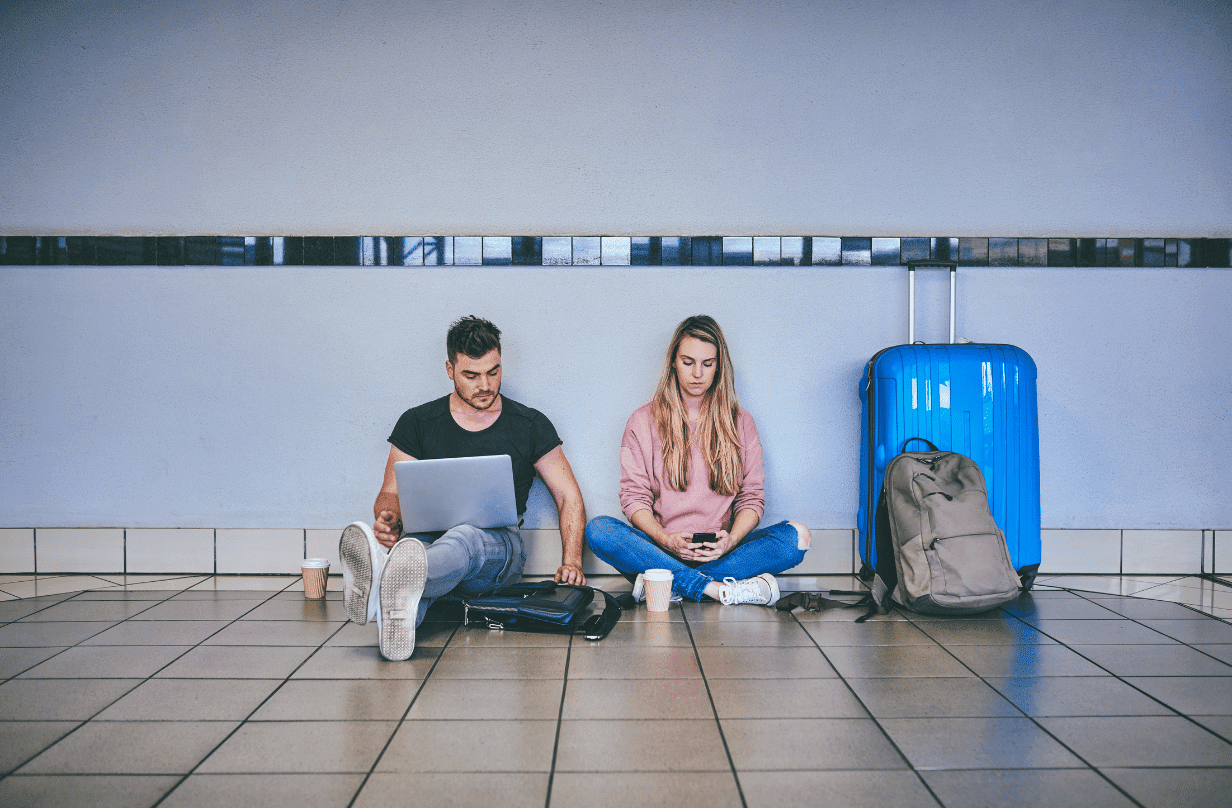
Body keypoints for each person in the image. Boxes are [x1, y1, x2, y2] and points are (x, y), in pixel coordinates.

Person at [340, 316, 586, 660]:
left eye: (493, 371)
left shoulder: (529, 424)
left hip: (497, 551)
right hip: (426, 542)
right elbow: (390, 492)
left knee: (464, 537)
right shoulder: (418, 422)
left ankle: (381, 579)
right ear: (449, 369)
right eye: (471, 375)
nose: (485, 384)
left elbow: (567, 495)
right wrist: (388, 517)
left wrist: (572, 561)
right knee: (413, 555)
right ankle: (395, 616)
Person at [585, 315, 809, 605]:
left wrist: (730, 540)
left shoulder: (740, 421)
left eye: (707, 364)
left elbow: (752, 498)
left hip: (724, 550)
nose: (697, 374)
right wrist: (667, 540)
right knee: (599, 530)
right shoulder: (642, 421)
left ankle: (669, 584)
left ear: (719, 366)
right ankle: (715, 589)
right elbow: (634, 499)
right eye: (688, 362)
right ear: (673, 363)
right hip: (661, 548)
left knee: (797, 538)